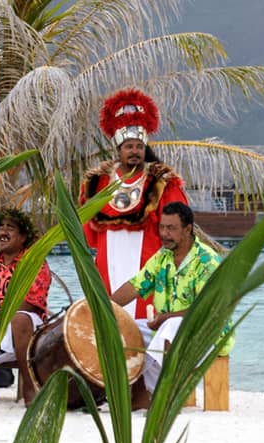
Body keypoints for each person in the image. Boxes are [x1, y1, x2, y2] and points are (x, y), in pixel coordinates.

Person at [79, 88, 190, 323]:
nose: (134, 151)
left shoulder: (162, 182)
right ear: (118, 149)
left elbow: (179, 227)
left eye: (139, 147)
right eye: (129, 146)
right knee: (110, 322)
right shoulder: (95, 183)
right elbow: (88, 234)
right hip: (108, 262)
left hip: (149, 260)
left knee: (146, 324)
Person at [109, 201, 231, 406]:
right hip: (165, 330)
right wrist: (103, 306)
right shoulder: (162, 257)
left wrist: (166, 318)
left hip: (206, 334)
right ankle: (137, 394)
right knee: (128, 328)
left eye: (171, 228)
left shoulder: (207, 261)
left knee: (171, 327)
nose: (164, 234)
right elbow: (135, 286)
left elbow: (207, 308)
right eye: (162, 227)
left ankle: (165, 395)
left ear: (188, 229)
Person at [0, 207, 51, 403]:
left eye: (10, 228)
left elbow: (32, 302)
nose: (3, 232)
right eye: (1, 227)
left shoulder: (33, 261)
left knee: (19, 317)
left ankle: (29, 385)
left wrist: (1, 316)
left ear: (23, 237)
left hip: (27, 323)